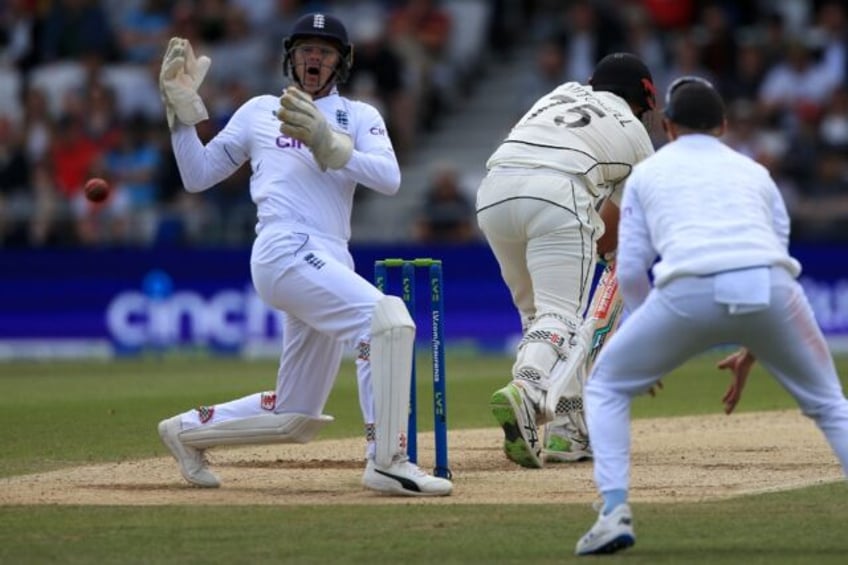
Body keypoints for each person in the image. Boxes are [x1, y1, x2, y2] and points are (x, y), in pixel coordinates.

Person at [155, 12, 452, 497]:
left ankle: (186, 431)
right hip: (284, 246)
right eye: (306, 49)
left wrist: (331, 146)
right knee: (388, 322)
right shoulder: (258, 110)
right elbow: (197, 175)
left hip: (330, 256)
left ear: (341, 62)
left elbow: (390, 178)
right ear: (291, 57)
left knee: (296, 416)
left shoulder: (359, 115)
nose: (314, 57)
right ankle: (388, 460)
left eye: (325, 51)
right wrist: (181, 117)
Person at [574, 77, 848, 556]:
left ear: (667, 126)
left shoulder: (648, 173)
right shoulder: (755, 173)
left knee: (607, 385)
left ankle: (613, 511)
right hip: (771, 287)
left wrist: (641, 330)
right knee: (829, 404)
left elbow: (633, 267)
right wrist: (756, 341)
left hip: (688, 291)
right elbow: (773, 254)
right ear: (722, 125)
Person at [475, 53, 657, 468]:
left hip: (493, 193)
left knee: (537, 317)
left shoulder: (559, 94)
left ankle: (568, 430)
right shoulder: (637, 137)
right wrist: (607, 257)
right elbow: (617, 234)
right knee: (563, 318)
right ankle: (528, 392)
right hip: (556, 195)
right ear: (642, 102)